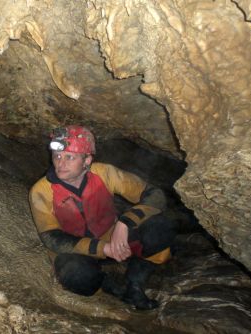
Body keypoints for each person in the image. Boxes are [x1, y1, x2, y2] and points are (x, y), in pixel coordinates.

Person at [29, 125, 176, 310]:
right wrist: (103, 249)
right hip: (76, 250)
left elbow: (155, 195)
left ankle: (135, 284)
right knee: (77, 277)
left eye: (70, 157)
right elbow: (52, 238)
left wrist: (125, 223)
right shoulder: (41, 191)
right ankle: (111, 286)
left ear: (87, 160)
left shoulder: (105, 174)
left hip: (111, 235)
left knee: (160, 228)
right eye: (57, 156)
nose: (61, 163)